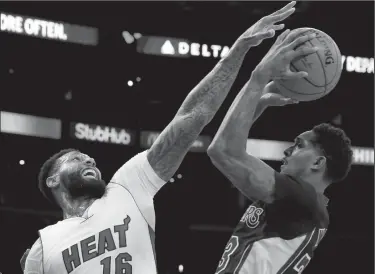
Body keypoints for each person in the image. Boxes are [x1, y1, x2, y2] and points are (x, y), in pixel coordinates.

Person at [21, 2, 300, 273]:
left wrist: (239, 49)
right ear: (52, 179)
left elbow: (192, 116)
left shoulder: (126, 187)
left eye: (86, 155)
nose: (88, 158)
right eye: (75, 158)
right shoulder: (41, 251)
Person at [207, 28, 353, 274]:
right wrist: (259, 102)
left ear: (318, 163)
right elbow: (224, 147)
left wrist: (259, 76)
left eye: (299, 145)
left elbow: (223, 151)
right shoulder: (301, 203)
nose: (287, 151)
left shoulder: (301, 198)